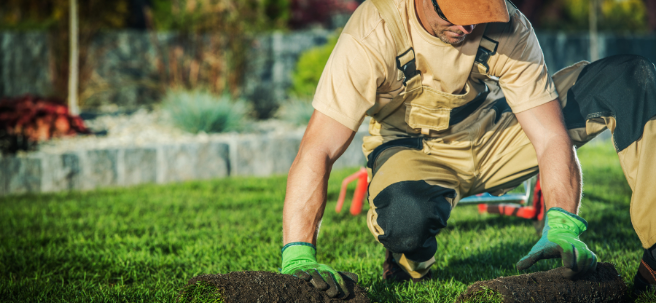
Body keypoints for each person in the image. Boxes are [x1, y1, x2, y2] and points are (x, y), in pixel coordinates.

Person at [279, 0, 656, 298]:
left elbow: (549, 136)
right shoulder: (373, 30)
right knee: (406, 222)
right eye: (456, 13)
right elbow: (319, 149)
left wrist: (561, 223)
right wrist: (298, 251)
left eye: (478, 14)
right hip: (413, 148)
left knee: (630, 77)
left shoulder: (510, 25)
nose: (466, 27)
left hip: (495, 131)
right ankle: (410, 259)